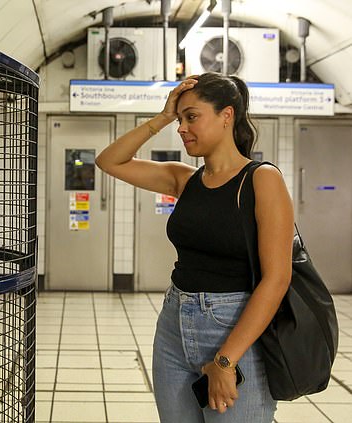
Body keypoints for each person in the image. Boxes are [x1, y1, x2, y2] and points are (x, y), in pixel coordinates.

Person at [95, 72, 294, 422]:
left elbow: (277, 279)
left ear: (226, 115)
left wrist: (225, 360)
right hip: (174, 326)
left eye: (192, 117)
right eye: (181, 118)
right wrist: (163, 116)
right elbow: (109, 161)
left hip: (234, 329)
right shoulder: (185, 179)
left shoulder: (261, 179)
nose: (182, 128)